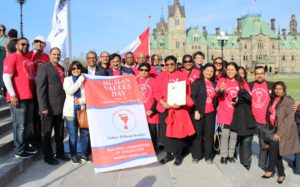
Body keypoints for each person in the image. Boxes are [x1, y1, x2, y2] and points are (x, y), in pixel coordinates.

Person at [154, 55, 195, 166]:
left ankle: (178, 155)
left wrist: (180, 103)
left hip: (179, 109)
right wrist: (163, 102)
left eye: (172, 64)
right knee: (165, 134)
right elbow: (156, 91)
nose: (169, 66)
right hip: (165, 108)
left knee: (179, 133)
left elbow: (187, 92)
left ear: (176, 64)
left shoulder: (182, 75)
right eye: (167, 64)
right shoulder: (160, 76)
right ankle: (168, 154)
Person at [3, 37, 37, 158]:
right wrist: (12, 94)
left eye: (27, 45)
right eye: (22, 44)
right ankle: (19, 149)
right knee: (20, 125)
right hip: (18, 97)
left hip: (29, 96)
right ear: (16, 45)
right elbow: (6, 77)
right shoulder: (11, 57)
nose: (25, 46)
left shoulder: (27, 58)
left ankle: (25, 145)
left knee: (27, 124)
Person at [36, 47, 70, 165]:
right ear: (49, 55)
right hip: (48, 107)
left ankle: (60, 153)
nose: (56, 56)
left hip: (60, 106)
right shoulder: (43, 68)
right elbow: (40, 89)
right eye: (54, 54)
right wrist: (43, 107)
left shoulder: (61, 68)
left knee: (60, 132)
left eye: (58, 54)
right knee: (47, 133)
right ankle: (48, 156)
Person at [262, 81, 300, 184]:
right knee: (276, 151)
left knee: (274, 146)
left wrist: (279, 133)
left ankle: (270, 170)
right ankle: (282, 174)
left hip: (284, 131)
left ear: (284, 90)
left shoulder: (288, 100)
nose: (278, 91)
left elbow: (289, 119)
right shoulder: (273, 99)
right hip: (273, 129)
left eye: (280, 89)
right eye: (276, 89)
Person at [216, 62, 250, 164]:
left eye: (232, 69)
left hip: (237, 113)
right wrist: (221, 90)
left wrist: (241, 98)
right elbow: (216, 94)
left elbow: (248, 95)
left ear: (236, 71)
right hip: (224, 112)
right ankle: (223, 156)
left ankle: (231, 155)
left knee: (234, 136)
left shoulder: (241, 82)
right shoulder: (222, 80)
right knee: (225, 135)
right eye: (228, 69)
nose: (230, 71)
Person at [63, 61, 91, 164]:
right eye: (74, 69)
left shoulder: (85, 80)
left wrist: (82, 101)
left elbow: (89, 94)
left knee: (85, 133)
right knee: (73, 134)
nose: (76, 70)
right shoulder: (67, 80)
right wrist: (80, 79)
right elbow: (70, 91)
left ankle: (84, 154)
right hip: (70, 112)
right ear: (71, 70)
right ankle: (74, 155)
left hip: (82, 109)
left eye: (78, 68)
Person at [248, 66, 273, 171]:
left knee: (264, 143)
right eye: (257, 73)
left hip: (266, 120)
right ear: (254, 75)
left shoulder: (271, 85)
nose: (259, 75)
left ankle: (262, 164)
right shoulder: (249, 85)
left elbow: (282, 97)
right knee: (250, 141)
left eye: (261, 73)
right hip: (253, 119)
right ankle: (245, 160)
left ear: (265, 74)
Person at [191, 63, 217, 164]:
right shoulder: (197, 82)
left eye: (211, 71)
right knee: (198, 134)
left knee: (209, 135)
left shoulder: (214, 83)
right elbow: (193, 97)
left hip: (210, 113)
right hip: (199, 112)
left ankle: (208, 156)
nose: (209, 72)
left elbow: (215, 97)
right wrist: (196, 110)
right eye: (207, 70)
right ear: (203, 71)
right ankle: (197, 155)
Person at [28, 35, 50, 147]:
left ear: (44, 45)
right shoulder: (29, 55)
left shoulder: (47, 57)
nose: (39, 44)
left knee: (41, 115)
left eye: (41, 42)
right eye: (37, 42)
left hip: (42, 90)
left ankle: (42, 139)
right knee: (32, 116)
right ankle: (34, 139)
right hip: (30, 89)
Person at [136, 62, 159, 150]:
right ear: (138, 70)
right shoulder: (134, 80)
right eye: (141, 70)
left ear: (149, 71)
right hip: (139, 112)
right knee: (140, 132)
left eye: (146, 70)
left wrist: (152, 110)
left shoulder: (153, 80)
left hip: (151, 112)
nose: (144, 72)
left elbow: (157, 97)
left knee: (152, 133)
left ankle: (153, 150)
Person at [0, 24, 9, 97]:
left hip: (3, 61)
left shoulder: (7, 39)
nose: (2, 32)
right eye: (0, 30)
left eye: (3, 30)